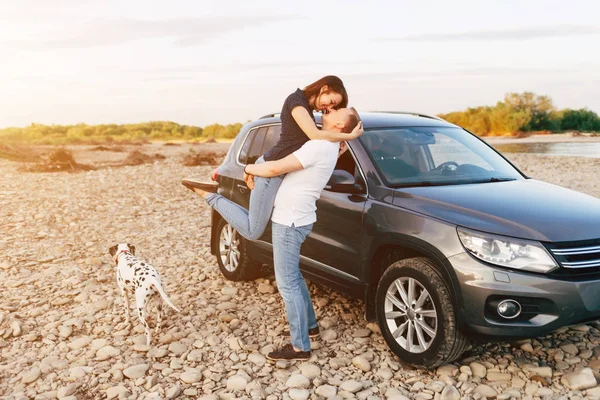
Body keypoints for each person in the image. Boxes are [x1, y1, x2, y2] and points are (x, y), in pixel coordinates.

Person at [191, 107, 361, 360]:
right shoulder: (327, 145)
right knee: (293, 277)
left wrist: (249, 170)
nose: (331, 108)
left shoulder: (319, 147)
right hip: (299, 219)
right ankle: (310, 327)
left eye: (339, 110)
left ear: (339, 125)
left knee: (287, 282)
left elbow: (273, 169)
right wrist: (347, 138)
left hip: (290, 222)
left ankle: (299, 347)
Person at [182, 75, 363, 241]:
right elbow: (314, 135)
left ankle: (216, 196)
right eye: (331, 101)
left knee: (256, 220)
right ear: (324, 89)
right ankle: (210, 196)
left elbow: (314, 146)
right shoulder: (297, 101)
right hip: (270, 169)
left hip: (276, 168)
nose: (329, 108)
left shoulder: (307, 108)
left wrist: (338, 151)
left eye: (333, 107)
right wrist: (349, 136)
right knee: (253, 231)